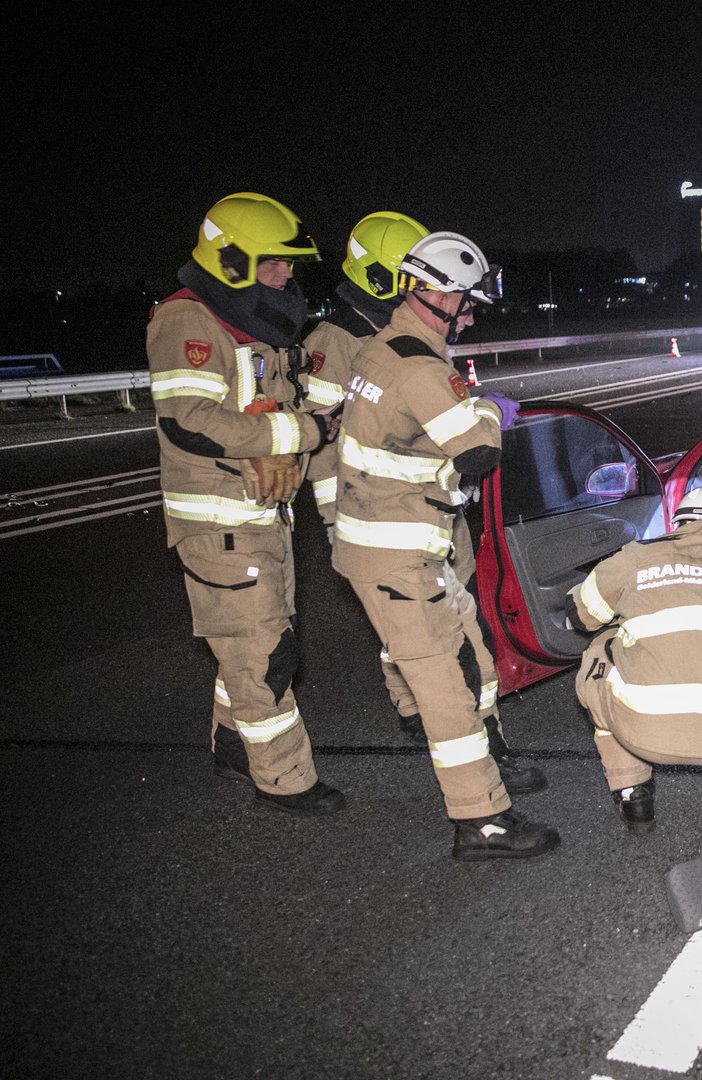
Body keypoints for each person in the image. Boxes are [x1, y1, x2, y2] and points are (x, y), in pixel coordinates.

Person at [331, 230, 557, 861]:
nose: (472, 316)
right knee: (447, 691)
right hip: (397, 554)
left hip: (401, 547)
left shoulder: (382, 348)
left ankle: (491, 764)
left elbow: (414, 436)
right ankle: (480, 820)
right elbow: (478, 451)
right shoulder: (418, 366)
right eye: (468, 304)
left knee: (470, 660)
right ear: (440, 295)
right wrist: (489, 411)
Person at [147, 192, 344, 815]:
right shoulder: (187, 320)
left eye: (289, 262)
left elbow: (268, 403)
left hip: (262, 517)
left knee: (252, 647)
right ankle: (284, 779)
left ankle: (234, 747)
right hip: (219, 523)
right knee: (264, 658)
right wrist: (301, 431)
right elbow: (189, 421)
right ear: (230, 260)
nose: (286, 273)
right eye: (272, 261)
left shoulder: (250, 323)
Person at [570, 485, 702, 840]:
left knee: (598, 654)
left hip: (642, 729)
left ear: (678, 522)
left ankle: (633, 794)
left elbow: (580, 614)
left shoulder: (635, 558)